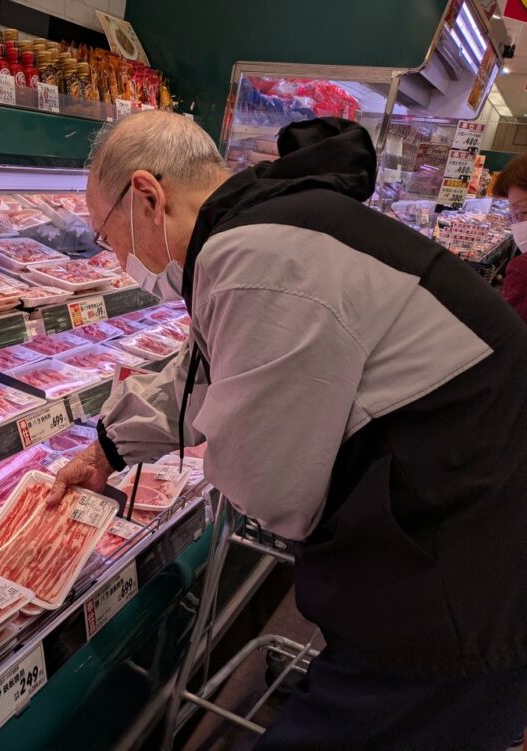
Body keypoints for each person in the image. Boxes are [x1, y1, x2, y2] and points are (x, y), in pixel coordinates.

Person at [48, 111, 527, 750]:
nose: (117, 259)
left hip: (463, 576)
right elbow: (203, 369)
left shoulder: (255, 254)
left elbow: (271, 485)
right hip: (457, 528)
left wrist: (221, 446)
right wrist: (108, 449)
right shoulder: (260, 226)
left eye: (108, 235)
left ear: (147, 197)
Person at [490, 154, 527, 324]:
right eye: (513, 213)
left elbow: (506, 332)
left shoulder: (522, 270)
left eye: (524, 212)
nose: (518, 223)